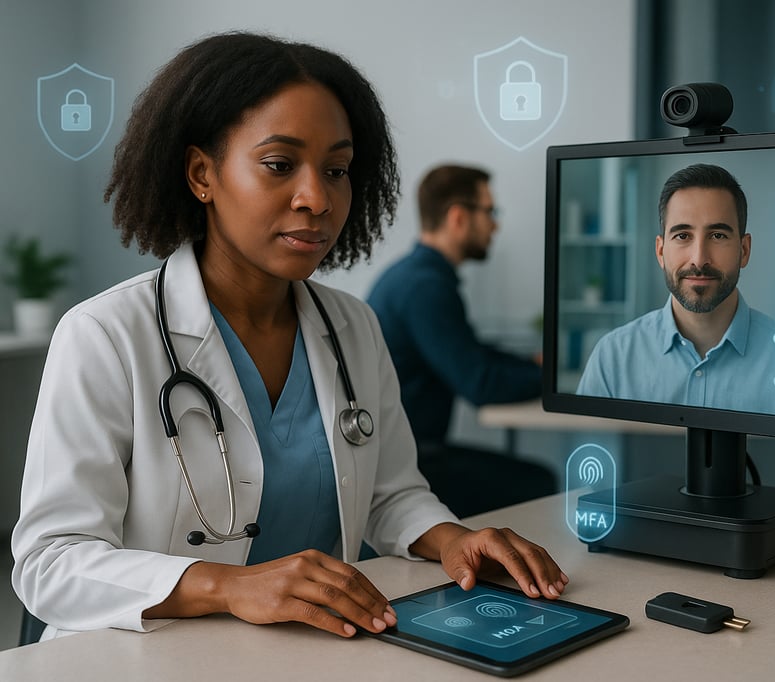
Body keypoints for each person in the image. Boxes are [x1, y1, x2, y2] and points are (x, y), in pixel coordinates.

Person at [11, 33, 567, 643]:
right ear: (202, 174)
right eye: (279, 165)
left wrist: (455, 539)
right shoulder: (105, 335)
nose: (318, 198)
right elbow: (51, 563)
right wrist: (228, 586)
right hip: (145, 656)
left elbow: (391, 495)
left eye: (337, 170)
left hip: (308, 652)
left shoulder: (352, 326)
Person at [577, 163, 775, 420]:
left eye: (718, 236)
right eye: (682, 236)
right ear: (660, 251)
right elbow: (589, 456)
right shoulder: (613, 357)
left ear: (744, 250)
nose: (699, 259)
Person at [366, 165, 556, 518]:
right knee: (540, 482)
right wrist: (554, 382)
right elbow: (479, 382)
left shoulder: (415, 276)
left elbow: (469, 352)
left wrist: (530, 365)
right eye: (489, 212)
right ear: (458, 217)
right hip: (408, 466)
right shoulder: (425, 287)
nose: (495, 225)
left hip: (405, 455)